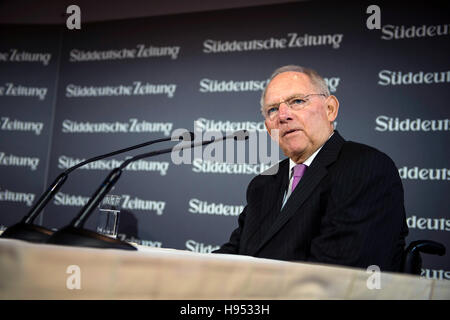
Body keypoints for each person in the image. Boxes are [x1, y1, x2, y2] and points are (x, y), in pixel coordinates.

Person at [213, 65, 409, 272]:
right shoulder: (263, 184)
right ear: (268, 128)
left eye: (297, 101)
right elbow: (236, 253)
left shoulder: (365, 168)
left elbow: (338, 273)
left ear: (330, 109)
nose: (283, 115)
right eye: (272, 109)